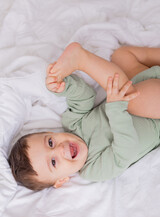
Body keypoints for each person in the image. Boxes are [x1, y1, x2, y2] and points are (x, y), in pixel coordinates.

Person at [8, 42, 160, 191]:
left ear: (52, 133)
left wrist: (64, 86)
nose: (60, 149)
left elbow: (85, 97)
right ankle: (81, 59)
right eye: (53, 162)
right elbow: (126, 149)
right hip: (155, 114)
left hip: (144, 84)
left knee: (121, 56)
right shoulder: (93, 169)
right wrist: (116, 108)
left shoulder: (73, 124)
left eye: (50, 142)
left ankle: (83, 59)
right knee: (131, 102)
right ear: (61, 180)